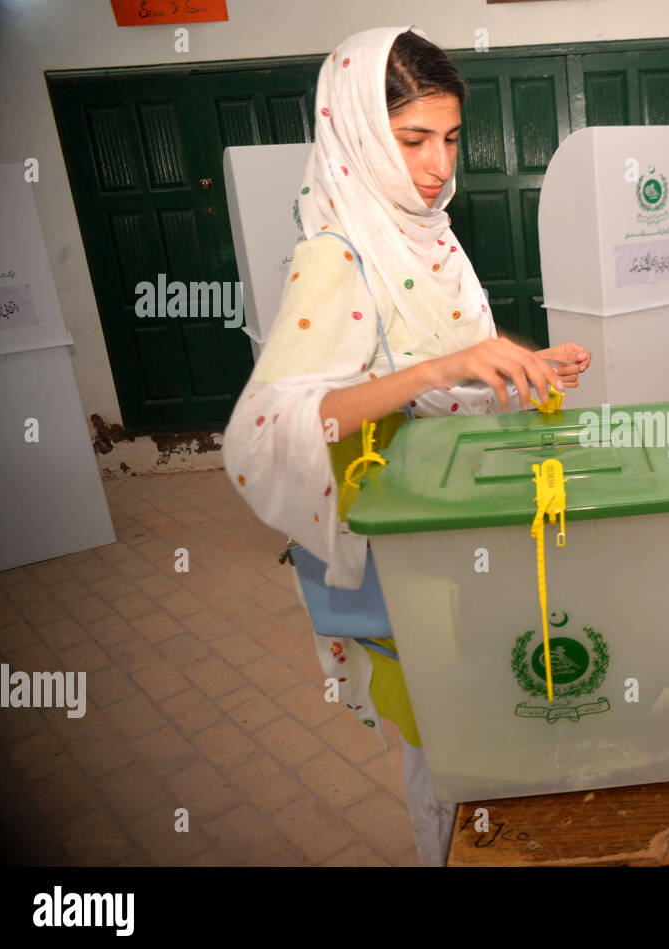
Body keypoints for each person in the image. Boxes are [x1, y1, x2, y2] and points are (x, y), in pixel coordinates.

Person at [222, 26, 591, 861]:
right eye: (413, 139)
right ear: (357, 134)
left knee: (487, 723)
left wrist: (519, 366)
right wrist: (453, 361)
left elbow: (418, 367)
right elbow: (278, 425)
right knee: (445, 757)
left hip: (457, 530)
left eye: (451, 139)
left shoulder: (426, 232)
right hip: (405, 557)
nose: (438, 165)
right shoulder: (338, 250)